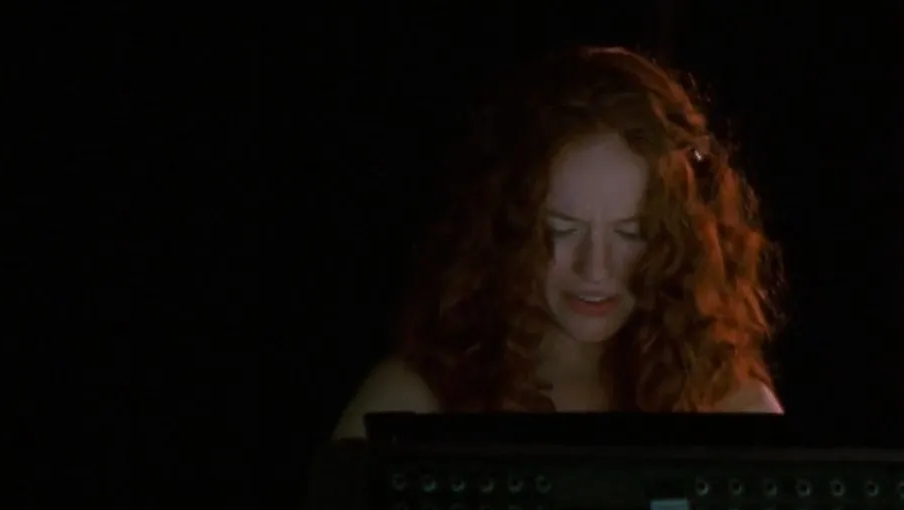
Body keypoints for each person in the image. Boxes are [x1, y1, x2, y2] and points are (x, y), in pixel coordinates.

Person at [333, 45, 783, 439]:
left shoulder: (731, 410)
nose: (595, 268)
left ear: (681, 243)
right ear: (506, 227)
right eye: (561, 229)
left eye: (632, 233)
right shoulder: (416, 401)